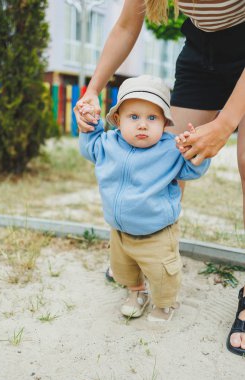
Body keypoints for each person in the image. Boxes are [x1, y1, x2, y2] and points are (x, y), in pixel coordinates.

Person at [74, 0, 245, 352]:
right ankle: (148, 256)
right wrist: (92, 90)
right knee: (168, 153)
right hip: (201, 53)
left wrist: (226, 124)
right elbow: (125, 26)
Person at [78, 74, 210, 322]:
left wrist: (196, 150)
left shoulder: (171, 149)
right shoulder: (108, 144)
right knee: (124, 269)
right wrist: (91, 126)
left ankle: (163, 305)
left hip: (157, 232)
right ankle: (137, 293)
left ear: (164, 122)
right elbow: (89, 147)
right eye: (134, 117)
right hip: (119, 231)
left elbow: (193, 171)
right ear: (117, 120)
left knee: (163, 274)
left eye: (152, 118)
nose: (142, 125)